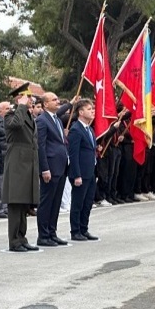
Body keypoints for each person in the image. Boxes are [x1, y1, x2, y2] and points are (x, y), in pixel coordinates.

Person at [2, 84, 39, 252]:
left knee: (24, 204)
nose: (31, 100)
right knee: (16, 204)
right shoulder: (11, 115)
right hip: (17, 164)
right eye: (28, 97)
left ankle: (22, 237)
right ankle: (14, 241)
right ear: (19, 98)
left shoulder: (29, 116)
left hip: (28, 163)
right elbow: (16, 124)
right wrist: (21, 106)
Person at [35, 92, 73, 247]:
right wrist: (44, 168)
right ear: (45, 104)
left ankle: (52, 232)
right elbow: (41, 146)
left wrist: (71, 103)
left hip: (61, 165)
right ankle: (43, 235)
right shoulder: (42, 121)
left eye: (58, 99)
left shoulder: (56, 118)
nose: (58, 102)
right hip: (50, 166)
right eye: (54, 100)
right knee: (47, 201)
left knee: (56, 202)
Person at [68, 99, 99, 242]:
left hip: (90, 172)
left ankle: (84, 228)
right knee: (78, 203)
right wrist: (76, 175)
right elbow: (73, 155)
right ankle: (75, 231)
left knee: (87, 203)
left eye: (92, 108)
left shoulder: (89, 129)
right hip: (80, 173)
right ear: (81, 112)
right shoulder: (76, 129)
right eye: (89, 109)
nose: (92, 111)